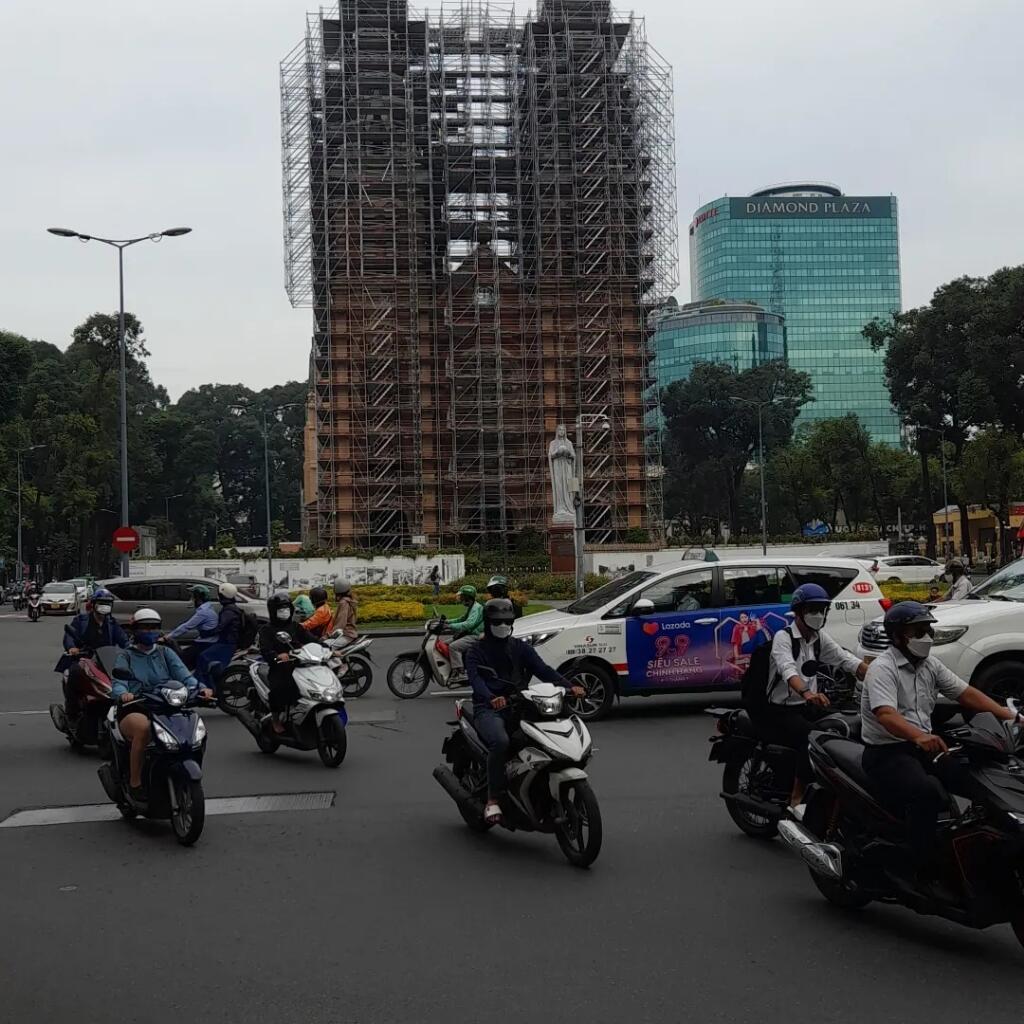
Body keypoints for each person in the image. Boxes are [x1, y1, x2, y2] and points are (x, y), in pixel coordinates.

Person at [861, 602, 1020, 875]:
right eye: (918, 631)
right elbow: (886, 714)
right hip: (887, 752)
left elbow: (965, 693)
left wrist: (1009, 715)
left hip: (924, 746)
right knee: (927, 793)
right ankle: (917, 862)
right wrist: (919, 736)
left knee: (978, 782)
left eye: (928, 630)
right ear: (898, 636)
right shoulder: (883, 668)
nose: (927, 637)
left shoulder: (930, 665)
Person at [465, 599, 585, 824]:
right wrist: (491, 698)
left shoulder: (520, 647)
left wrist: (569, 686)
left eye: (507, 621)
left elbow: (543, 669)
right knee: (500, 742)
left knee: (547, 735)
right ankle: (493, 800)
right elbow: (476, 681)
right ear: (488, 623)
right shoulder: (475, 651)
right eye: (497, 622)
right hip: (489, 709)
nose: (502, 626)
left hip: (521, 704)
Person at [758, 584, 869, 810]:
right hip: (780, 709)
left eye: (821, 610)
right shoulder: (784, 637)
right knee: (811, 739)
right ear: (798, 612)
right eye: (812, 610)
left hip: (808, 705)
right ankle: (796, 797)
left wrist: (877, 676)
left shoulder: (819, 638)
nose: (818, 615)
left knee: (848, 727)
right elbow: (787, 670)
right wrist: (808, 693)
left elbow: (845, 659)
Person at [112, 608, 212, 800]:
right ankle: (135, 783)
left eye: (154, 628)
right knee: (143, 729)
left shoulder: (166, 652)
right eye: (145, 627)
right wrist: (124, 694)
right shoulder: (126, 656)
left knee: (194, 727)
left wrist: (201, 689)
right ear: (134, 630)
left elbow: (184, 675)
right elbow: (118, 683)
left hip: (166, 704)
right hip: (137, 706)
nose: (150, 631)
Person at [56, 588, 129, 720]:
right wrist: (72, 648)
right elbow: (69, 636)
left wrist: (132, 649)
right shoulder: (81, 620)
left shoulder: (112, 623)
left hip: (107, 661)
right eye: (101, 603)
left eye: (107, 604)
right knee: (74, 673)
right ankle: (71, 713)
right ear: (94, 604)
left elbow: (124, 640)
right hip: (84, 659)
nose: (104, 607)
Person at [259, 592, 315, 733]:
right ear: (273, 611)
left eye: (286, 607)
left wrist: (328, 648)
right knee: (279, 689)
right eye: (280, 608)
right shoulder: (267, 630)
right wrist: (277, 656)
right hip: (279, 668)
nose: (284, 611)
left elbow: (311, 639)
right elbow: (265, 650)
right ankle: (276, 720)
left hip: (300, 666)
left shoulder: (296, 626)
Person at [195, 582, 245, 688]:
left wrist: (206, 633)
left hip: (227, 644)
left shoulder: (229, 611)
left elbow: (220, 627)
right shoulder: (232, 608)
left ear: (222, 595)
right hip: (227, 642)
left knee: (203, 657)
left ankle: (203, 686)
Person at [165, 585, 219, 668]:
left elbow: (186, 626)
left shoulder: (203, 612)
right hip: (205, 641)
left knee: (182, 659)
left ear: (198, 598)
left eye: (192, 597)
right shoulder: (207, 608)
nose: (191, 600)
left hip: (206, 643)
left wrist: (168, 636)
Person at [446, 585, 484, 674]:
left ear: (467, 597)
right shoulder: (472, 607)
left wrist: (450, 626)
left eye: (462, 597)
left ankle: (460, 672)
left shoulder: (476, 608)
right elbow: (462, 619)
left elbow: (468, 624)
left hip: (475, 635)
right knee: (445, 643)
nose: (461, 599)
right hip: (470, 634)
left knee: (453, 647)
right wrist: (447, 622)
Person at [329, 578, 358, 645]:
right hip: (349, 633)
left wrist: (329, 635)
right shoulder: (349, 601)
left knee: (326, 646)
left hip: (346, 635)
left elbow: (341, 623)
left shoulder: (344, 603)